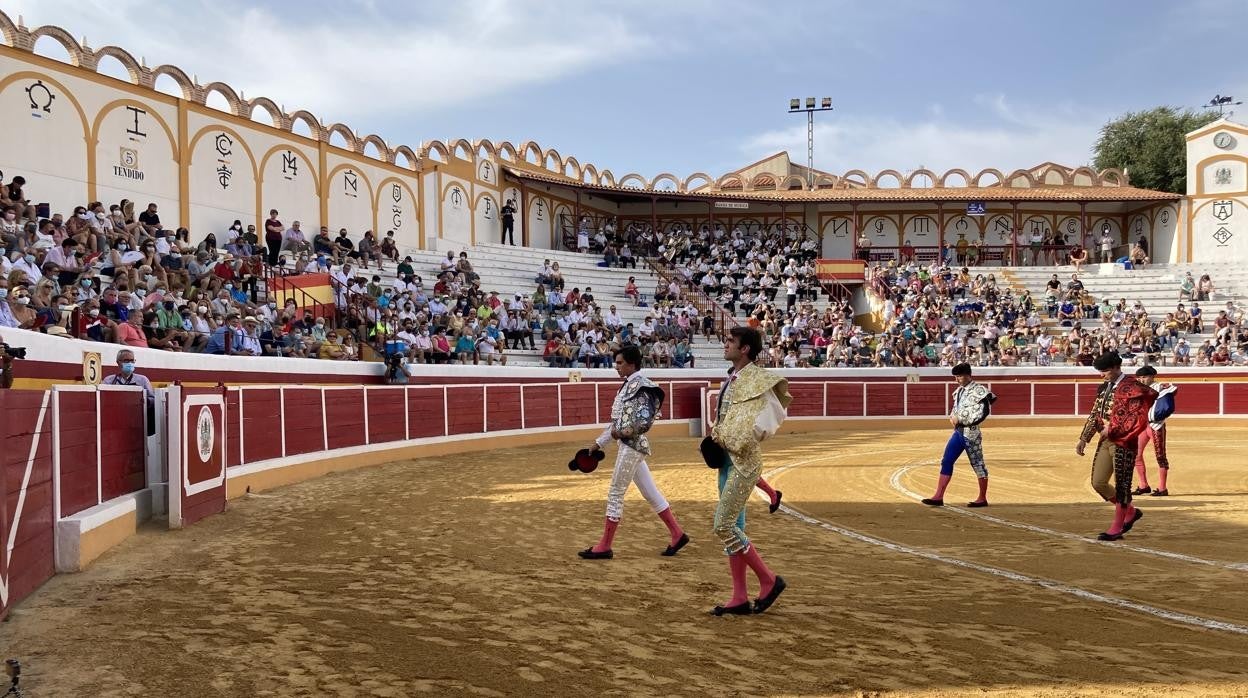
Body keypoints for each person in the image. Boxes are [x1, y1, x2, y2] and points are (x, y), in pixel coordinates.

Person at [707, 326, 791, 616]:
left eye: (730, 341)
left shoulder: (757, 379)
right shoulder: (734, 377)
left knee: (724, 525)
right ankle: (739, 596)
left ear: (745, 349)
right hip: (726, 460)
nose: (725, 344)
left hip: (743, 461)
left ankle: (768, 580)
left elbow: (770, 419)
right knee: (734, 529)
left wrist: (735, 437)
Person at [579, 345, 688, 560]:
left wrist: (620, 433)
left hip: (632, 447)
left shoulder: (641, 386)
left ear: (632, 363)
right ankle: (677, 533)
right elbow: (618, 423)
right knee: (651, 493)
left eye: (620, 363)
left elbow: (643, 422)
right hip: (630, 445)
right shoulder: (631, 385)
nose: (616, 367)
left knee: (615, 493)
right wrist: (598, 445)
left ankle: (605, 545)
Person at [1075, 351, 1156, 541]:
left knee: (1123, 485)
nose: (1101, 375)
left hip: (1125, 440)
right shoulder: (1104, 388)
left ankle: (1117, 527)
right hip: (1105, 440)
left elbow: (1137, 415)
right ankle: (1131, 512)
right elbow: (1095, 413)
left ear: (1115, 368)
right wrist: (1084, 438)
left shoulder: (1133, 387)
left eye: (1104, 371)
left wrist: (1112, 428)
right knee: (1098, 482)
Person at [922, 363, 994, 507]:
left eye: (959, 376)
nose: (957, 379)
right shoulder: (959, 391)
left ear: (968, 375)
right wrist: (952, 417)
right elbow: (956, 408)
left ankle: (982, 498)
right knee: (947, 460)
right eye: (955, 376)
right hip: (958, 432)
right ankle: (938, 496)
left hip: (971, 432)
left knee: (978, 464)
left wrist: (960, 419)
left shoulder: (980, 391)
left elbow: (984, 412)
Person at [1132, 366, 1176, 497]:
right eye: (1139, 377)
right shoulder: (1138, 390)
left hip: (1157, 426)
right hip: (1142, 426)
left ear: (1152, 377)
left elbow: (1168, 406)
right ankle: (1143, 485)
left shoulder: (1161, 387)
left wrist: (1155, 416)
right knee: (1136, 455)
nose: (1142, 380)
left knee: (1160, 456)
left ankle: (1162, 488)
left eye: (1145, 377)